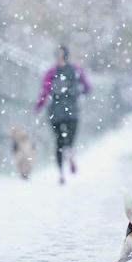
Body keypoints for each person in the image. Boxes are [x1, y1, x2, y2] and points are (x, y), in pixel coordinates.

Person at [35, 44, 91, 184]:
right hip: (72, 110)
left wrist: (38, 107)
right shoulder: (76, 70)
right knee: (69, 140)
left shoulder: (50, 72)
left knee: (58, 142)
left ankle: (61, 173)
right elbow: (87, 88)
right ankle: (70, 151)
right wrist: (78, 93)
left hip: (55, 111)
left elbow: (45, 92)